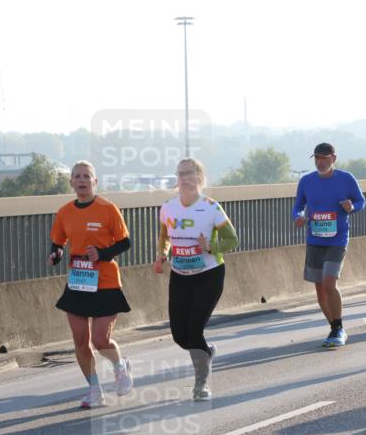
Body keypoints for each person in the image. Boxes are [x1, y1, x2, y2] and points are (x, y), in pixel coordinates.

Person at [49, 161, 134, 408]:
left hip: (105, 282)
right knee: (80, 340)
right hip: (78, 280)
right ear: (71, 182)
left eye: (87, 176)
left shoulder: (108, 209)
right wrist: (55, 255)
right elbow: (58, 242)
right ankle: (94, 389)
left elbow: (125, 242)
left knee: (100, 340)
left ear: (95, 182)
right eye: (77, 176)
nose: (82, 180)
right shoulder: (65, 212)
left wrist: (103, 253)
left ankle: (120, 366)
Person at [154, 158, 238, 400]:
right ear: (177, 179)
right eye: (181, 174)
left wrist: (211, 246)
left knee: (194, 331)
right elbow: (164, 236)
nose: (186, 178)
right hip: (180, 275)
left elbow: (232, 240)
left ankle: (201, 382)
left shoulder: (211, 207)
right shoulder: (168, 207)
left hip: (209, 275)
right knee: (180, 336)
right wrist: (162, 254)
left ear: (200, 177)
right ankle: (206, 353)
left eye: (191, 174)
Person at [292, 142, 365, 346]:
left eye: (324, 158)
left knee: (329, 282)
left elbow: (360, 201)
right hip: (315, 239)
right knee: (320, 289)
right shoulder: (306, 181)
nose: (320, 162)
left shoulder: (346, 178)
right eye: (317, 158)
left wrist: (352, 206)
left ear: (333, 158)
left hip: (338, 239)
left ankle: (338, 328)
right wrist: (297, 216)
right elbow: (298, 206)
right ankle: (334, 327)